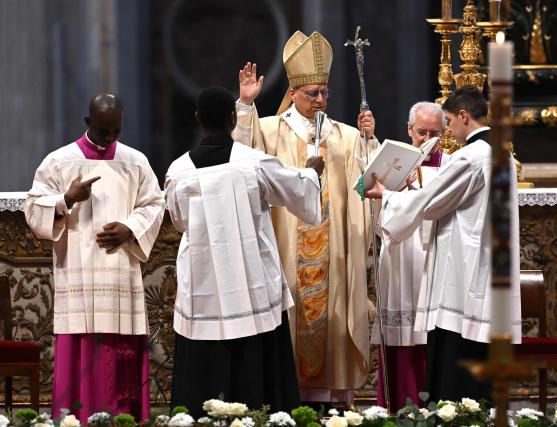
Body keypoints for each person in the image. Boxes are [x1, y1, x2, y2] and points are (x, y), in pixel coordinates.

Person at [233, 31, 377, 404]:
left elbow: (371, 181)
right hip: (285, 251)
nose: (320, 100)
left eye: (324, 92)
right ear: (293, 93)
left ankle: (331, 400)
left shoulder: (344, 136)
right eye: (312, 93)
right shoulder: (269, 130)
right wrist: (247, 105)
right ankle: (286, 397)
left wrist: (369, 141)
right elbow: (238, 156)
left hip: (334, 254)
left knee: (332, 318)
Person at [165, 86, 325, 416]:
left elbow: (179, 222)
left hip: (203, 282)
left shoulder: (178, 171)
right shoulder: (254, 163)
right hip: (251, 283)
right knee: (256, 359)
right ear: (231, 118)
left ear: (197, 119)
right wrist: (312, 172)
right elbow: (296, 190)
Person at [364, 86, 521, 403]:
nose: (448, 130)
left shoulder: (471, 157)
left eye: (448, 121)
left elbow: (431, 202)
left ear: (464, 116)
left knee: (455, 370)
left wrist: (387, 196)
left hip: (461, 273)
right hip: (488, 268)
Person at [25, 94, 165, 422]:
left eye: (116, 130)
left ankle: (126, 417)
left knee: (121, 351)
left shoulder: (135, 161)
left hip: (118, 272)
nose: (110, 138)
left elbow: (155, 204)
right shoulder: (59, 162)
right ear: (88, 123)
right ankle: (75, 418)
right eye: (103, 131)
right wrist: (66, 199)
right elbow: (33, 209)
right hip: (76, 269)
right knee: (80, 345)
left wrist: (130, 229)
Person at [372, 102, 448, 411]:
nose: (427, 138)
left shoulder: (453, 164)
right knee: (400, 333)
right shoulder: (394, 162)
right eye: (421, 132)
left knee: (430, 337)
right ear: (408, 130)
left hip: (434, 254)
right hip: (400, 255)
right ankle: (397, 405)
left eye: (434, 133)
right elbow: (378, 216)